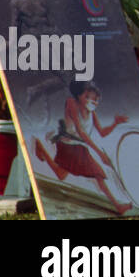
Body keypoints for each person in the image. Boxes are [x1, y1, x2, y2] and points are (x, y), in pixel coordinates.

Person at [32, 82, 131, 215]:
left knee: (83, 174)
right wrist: (100, 153)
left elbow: (102, 132)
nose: (92, 101)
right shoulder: (72, 103)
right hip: (67, 146)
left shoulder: (92, 113)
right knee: (94, 174)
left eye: (95, 99)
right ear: (79, 96)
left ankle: (41, 149)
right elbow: (81, 131)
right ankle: (118, 206)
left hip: (79, 148)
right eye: (88, 97)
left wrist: (115, 123)